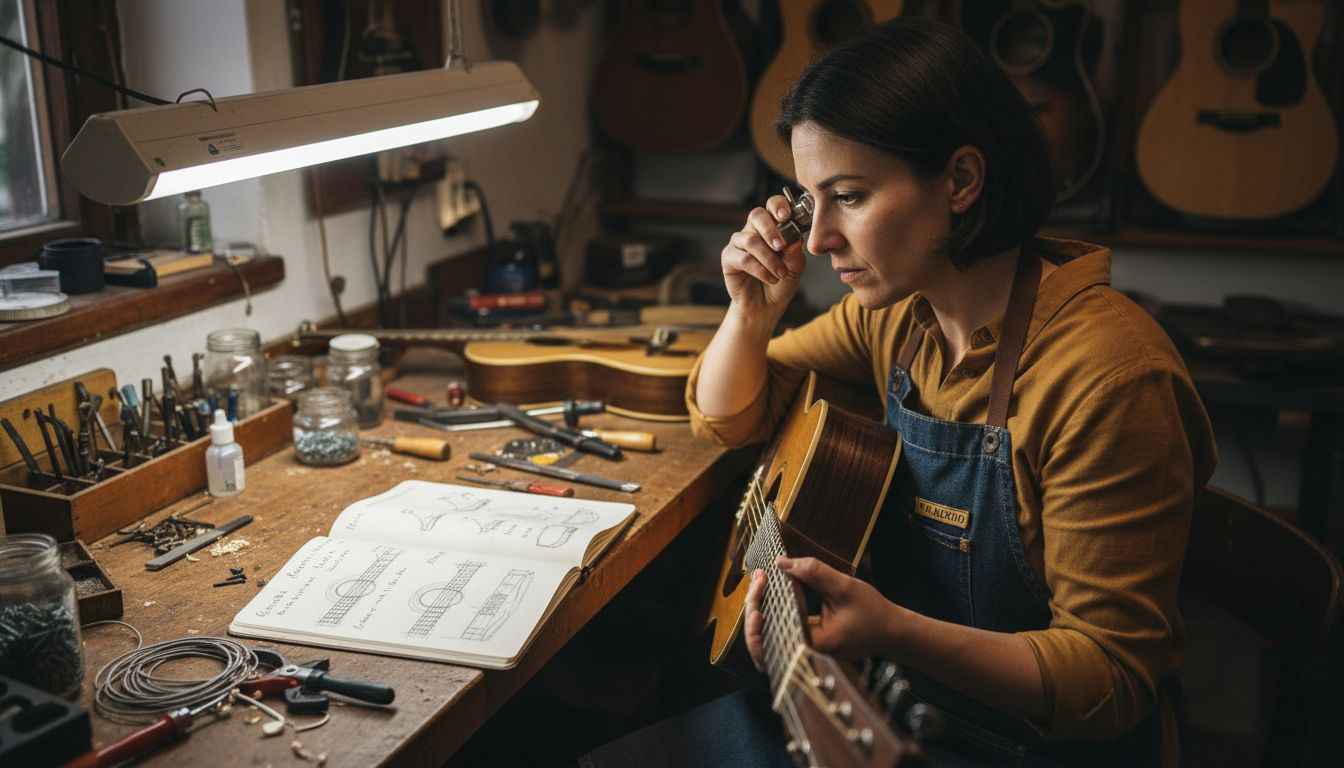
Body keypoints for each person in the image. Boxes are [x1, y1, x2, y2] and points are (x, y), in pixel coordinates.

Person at [583, 16, 1215, 768]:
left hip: (1036, 746)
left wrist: (889, 629)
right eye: (813, 203)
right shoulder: (899, 318)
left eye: (848, 196)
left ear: (960, 181)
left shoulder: (1107, 377)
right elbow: (730, 416)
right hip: (894, 698)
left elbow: (1108, 683)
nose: (817, 242)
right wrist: (748, 315)